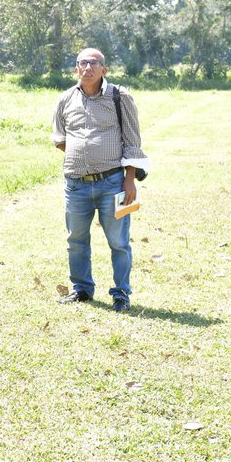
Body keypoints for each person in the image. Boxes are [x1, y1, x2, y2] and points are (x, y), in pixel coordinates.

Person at [51, 47, 150, 312]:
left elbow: (132, 143)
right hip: (76, 185)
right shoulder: (65, 99)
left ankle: (121, 294)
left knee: (118, 242)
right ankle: (82, 289)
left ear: (104, 70)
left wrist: (129, 180)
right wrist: (84, 158)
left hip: (113, 183)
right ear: (75, 69)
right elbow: (60, 139)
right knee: (76, 240)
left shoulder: (120, 97)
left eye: (94, 63)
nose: (88, 67)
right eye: (82, 63)